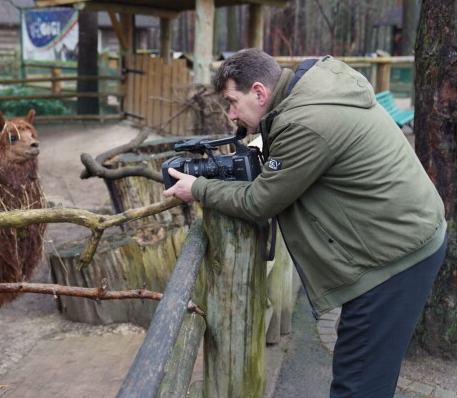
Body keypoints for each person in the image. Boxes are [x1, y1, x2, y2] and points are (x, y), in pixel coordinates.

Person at [163, 48, 447, 398]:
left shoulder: (305, 122)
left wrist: (199, 188)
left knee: (357, 383)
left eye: (232, 102)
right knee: (368, 372)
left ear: (259, 92)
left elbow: (260, 201)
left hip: (393, 258)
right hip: (404, 235)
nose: (231, 114)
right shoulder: (313, 93)